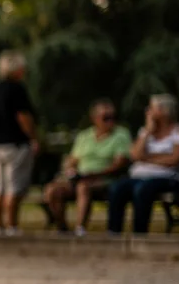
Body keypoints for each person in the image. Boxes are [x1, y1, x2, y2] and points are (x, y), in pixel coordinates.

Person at [41, 100, 131, 235]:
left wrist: (96, 174)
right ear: (94, 118)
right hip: (80, 176)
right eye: (106, 117)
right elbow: (73, 159)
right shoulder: (85, 136)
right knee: (52, 190)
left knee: (83, 187)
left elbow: (120, 163)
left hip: (105, 178)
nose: (110, 121)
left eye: (113, 117)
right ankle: (62, 228)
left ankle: (79, 229)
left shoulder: (121, 135)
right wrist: (70, 170)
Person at [107, 94, 179, 235]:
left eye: (152, 108)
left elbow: (174, 159)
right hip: (139, 176)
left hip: (169, 177)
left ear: (165, 111)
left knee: (142, 189)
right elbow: (134, 155)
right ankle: (113, 233)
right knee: (117, 188)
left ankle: (139, 234)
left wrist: (146, 158)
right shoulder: (145, 131)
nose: (148, 111)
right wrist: (147, 131)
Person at [0, 50, 38, 237]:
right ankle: (12, 226)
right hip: (15, 144)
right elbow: (23, 117)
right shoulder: (17, 89)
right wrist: (33, 137)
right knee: (13, 187)